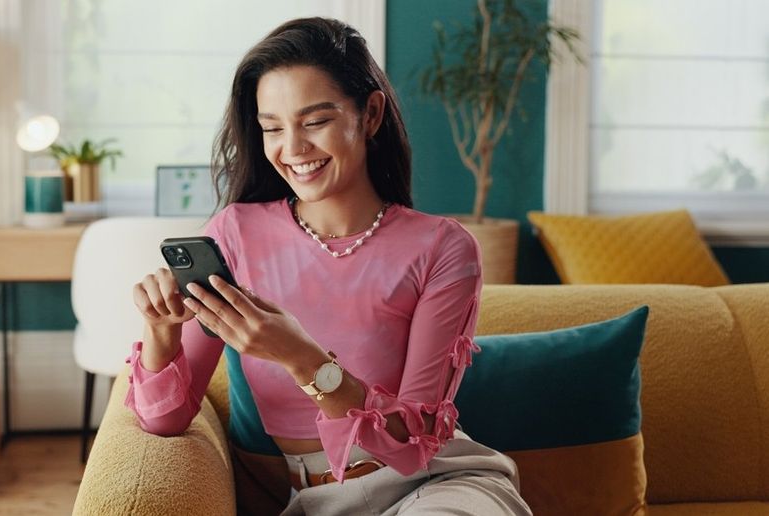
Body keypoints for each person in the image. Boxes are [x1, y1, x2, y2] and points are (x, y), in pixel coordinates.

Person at [126, 17, 531, 516]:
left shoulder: (442, 246)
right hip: (316, 500)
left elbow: (415, 442)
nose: (292, 149)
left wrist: (303, 360)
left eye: (315, 121)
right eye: (273, 127)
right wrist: (160, 332)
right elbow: (163, 421)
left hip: (436, 486)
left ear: (371, 114)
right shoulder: (233, 234)